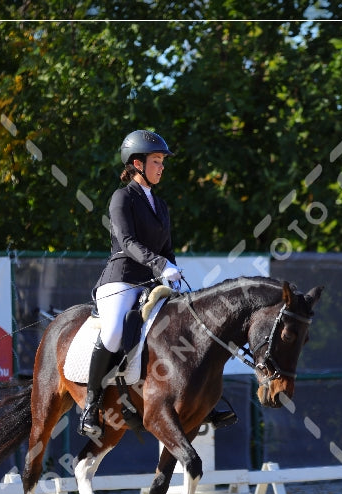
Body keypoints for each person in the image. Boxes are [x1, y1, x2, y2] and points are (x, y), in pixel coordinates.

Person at [79, 129, 235, 437]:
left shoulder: (161, 205)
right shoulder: (122, 197)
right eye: (155, 160)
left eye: (162, 161)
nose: (161, 167)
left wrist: (172, 267)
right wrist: (160, 264)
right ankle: (91, 404)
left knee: (187, 324)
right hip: (122, 279)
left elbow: (167, 248)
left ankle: (203, 402)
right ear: (137, 164)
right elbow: (126, 241)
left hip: (152, 282)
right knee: (113, 332)